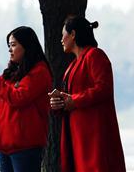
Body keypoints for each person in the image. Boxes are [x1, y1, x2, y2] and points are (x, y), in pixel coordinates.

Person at [49, 16, 126, 172]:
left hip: (94, 133)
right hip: (77, 134)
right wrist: (60, 103)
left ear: (73, 34)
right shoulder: (72, 65)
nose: (61, 40)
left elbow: (103, 88)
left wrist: (74, 101)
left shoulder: (95, 55)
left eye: (63, 34)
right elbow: (71, 97)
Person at [0, 26, 53, 172]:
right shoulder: (11, 72)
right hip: (4, 146)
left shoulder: (39, 72)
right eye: (9, 46)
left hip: (25, 147)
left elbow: (18, 97)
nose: (10, 50)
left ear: (27, 46)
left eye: (13, 45)